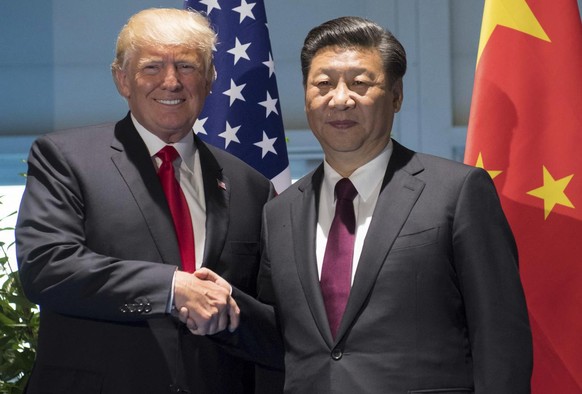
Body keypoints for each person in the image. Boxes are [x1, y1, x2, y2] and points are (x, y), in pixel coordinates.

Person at [187, 16, 533, 393]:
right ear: (305, 95)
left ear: (396, 95)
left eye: (359, 83)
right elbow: (283, 338)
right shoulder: (279, 212)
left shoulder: (457, 191)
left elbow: (500, 338)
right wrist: (228, 307)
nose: (339, 99)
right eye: (322, 84)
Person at [15, 8, 275, 394]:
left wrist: (228, 307)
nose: (171, 82)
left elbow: (275, 324)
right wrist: (171, 288)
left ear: (209, 79)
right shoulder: (66, 158)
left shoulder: (251, 186)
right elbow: (47, 267)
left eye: (187, 66)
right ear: (122, 79)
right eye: (152, 67)